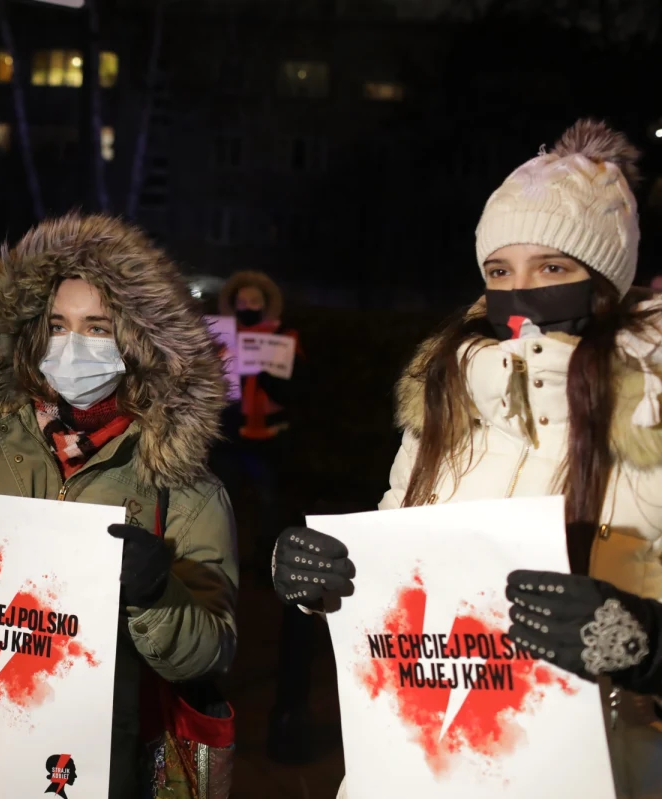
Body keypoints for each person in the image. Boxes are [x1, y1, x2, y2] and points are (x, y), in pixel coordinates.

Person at [272, 120, 662, 797]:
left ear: (606, 281)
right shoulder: (447, 403)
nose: (522, 290)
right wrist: (321, 580)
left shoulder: (650, 418)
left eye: (553, 267)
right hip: (425, 764)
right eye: (500, 270)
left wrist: (648, 648)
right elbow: (398, 579)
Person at [0, 214, 239, 797]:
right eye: (56, 324)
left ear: (138, 341)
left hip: (109, 762)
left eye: (97, 328)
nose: (71, 346)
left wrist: (156, 595)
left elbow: (210, 653)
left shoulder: (186, 484)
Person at [214, 270, 315, 762]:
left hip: (271, 436)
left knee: (273, 504)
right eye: (243, 297)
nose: (249, 302)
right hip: (234, 436)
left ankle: (269, 560)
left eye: (256, 297)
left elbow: (302, 387)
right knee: (228, 500)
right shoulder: (220, 336)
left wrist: (276, 378)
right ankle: (229, 553)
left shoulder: (285, 338)